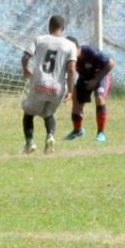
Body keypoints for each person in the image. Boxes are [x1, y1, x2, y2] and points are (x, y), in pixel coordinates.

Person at [20, 15, 76, 155]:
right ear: (63, 29)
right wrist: (70, 91)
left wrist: (26, 69)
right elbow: (71, 69)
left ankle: (30, 143)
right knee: (49, 113)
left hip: (39, 83)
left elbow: (25, 57)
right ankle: (50, 135)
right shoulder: (70, 45)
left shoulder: (40, 40)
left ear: (49, 27)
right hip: (57, 87)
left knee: (28, 113)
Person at [65, 37, 116, 142]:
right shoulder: (67, 57)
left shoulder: (91, 52)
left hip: (101, 76)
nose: (70, 54)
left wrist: (95, 80)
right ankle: (77, 130)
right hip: (84, 78)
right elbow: (69, 72)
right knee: (76, 100)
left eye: (72, 50)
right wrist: (69, 91)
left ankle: (101, 133)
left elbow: (111, 63)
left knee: (99, 97)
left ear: (78, 48)